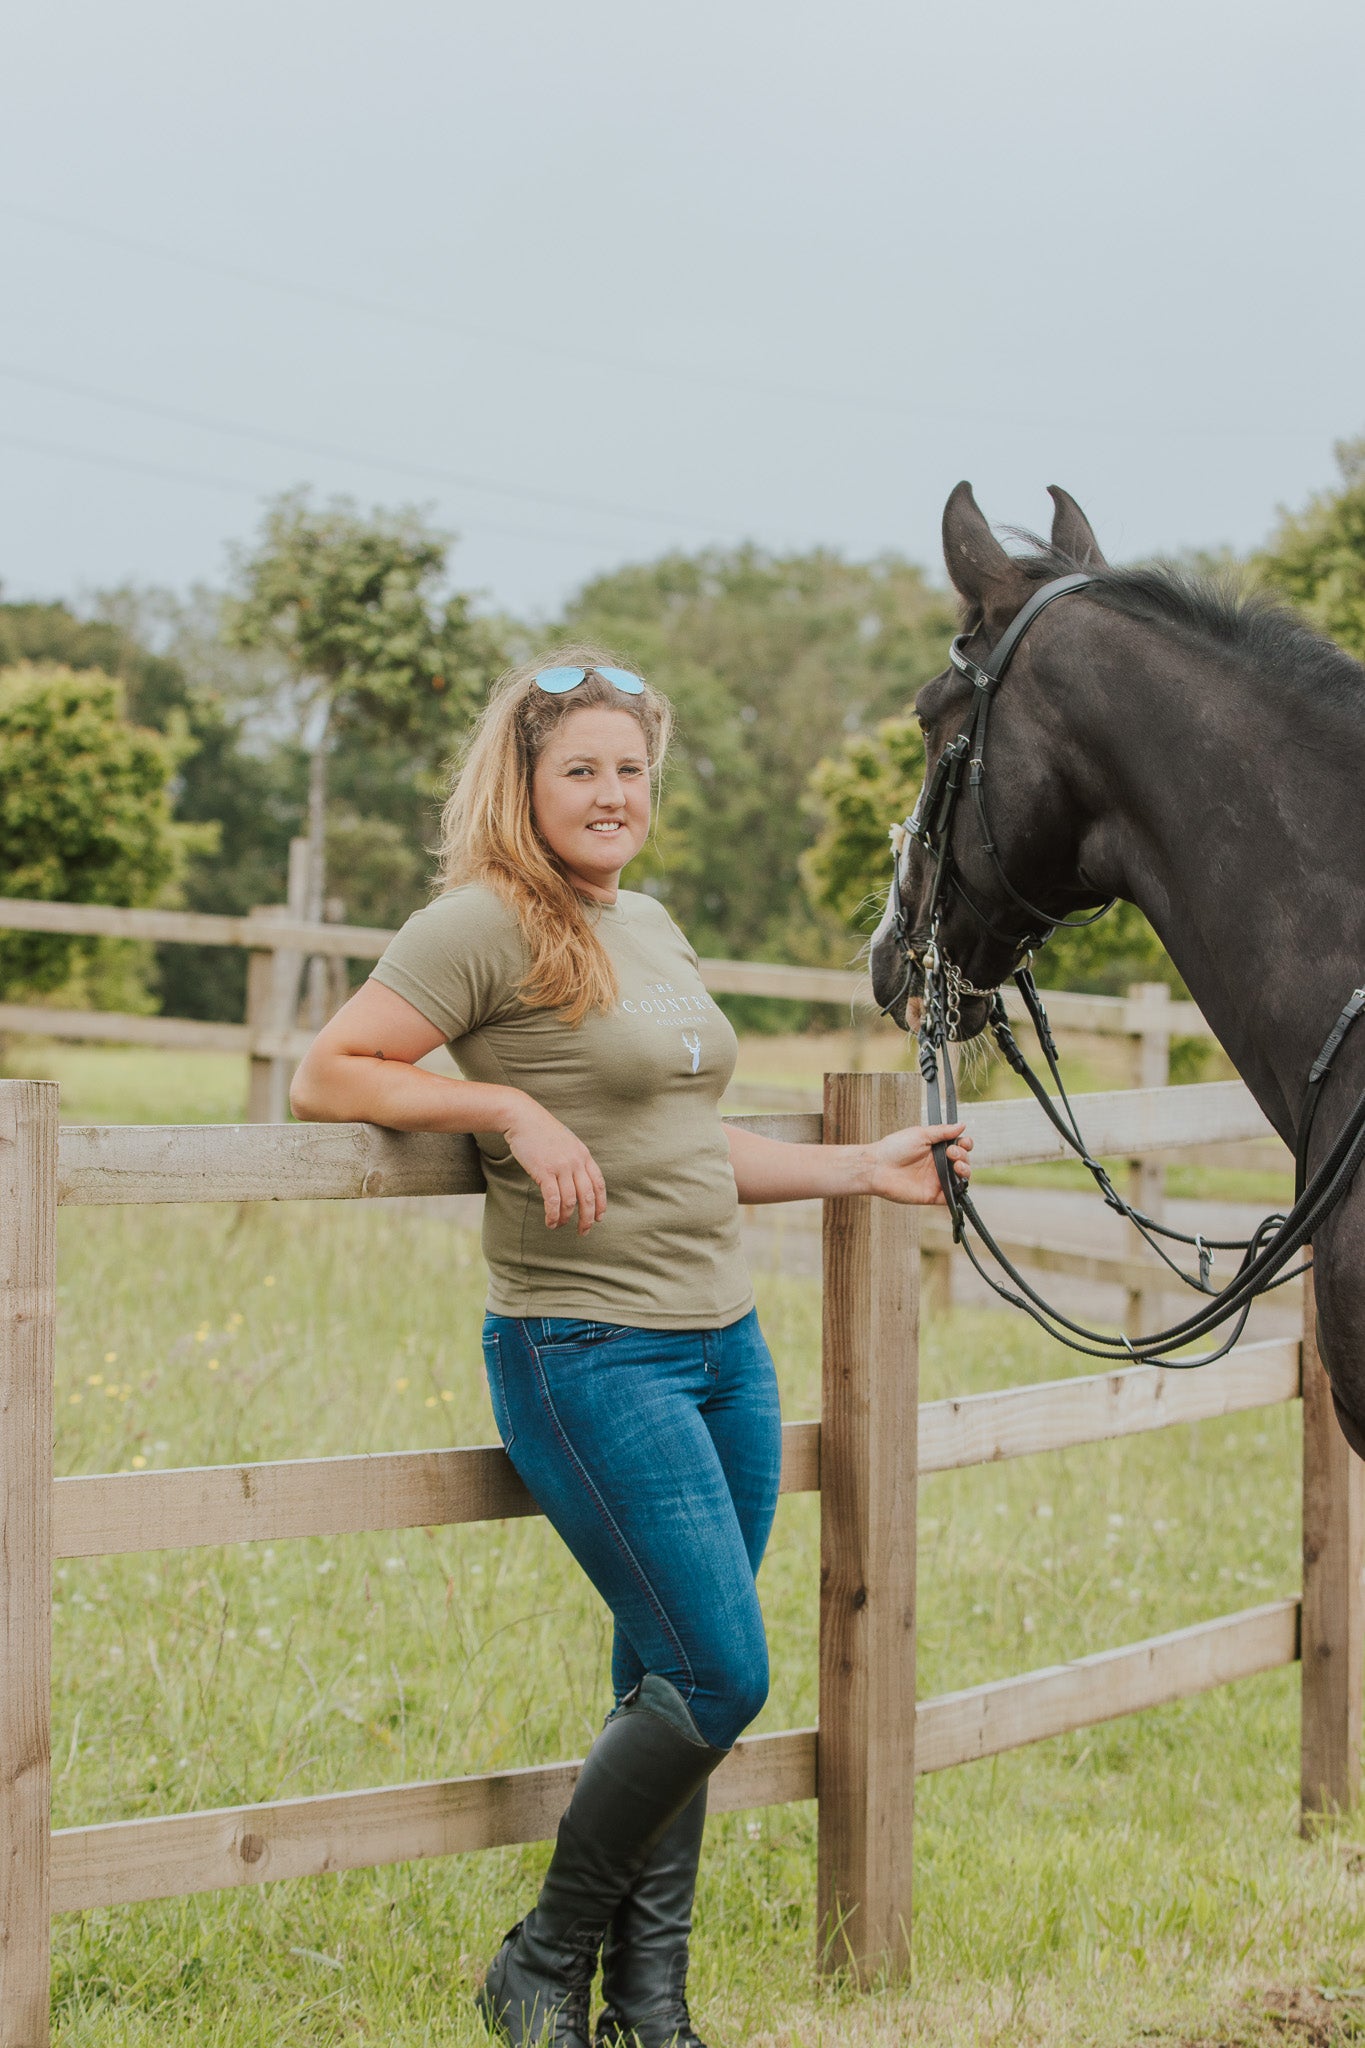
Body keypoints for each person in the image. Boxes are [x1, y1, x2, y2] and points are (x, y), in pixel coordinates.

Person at [289, 652, 972, 2048]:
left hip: (722, 1345)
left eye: (629, 771)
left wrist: (860, 1170)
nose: (612, 795)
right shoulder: (476, 924)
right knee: (720, 1673)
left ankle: (649, 2007)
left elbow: (679, 1148)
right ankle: (539, 1962)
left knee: (664, 1682)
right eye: (580, 770)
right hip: (587, 1348)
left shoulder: (648, 925)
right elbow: (331, 1070)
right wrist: (507, 1114)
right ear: (524, 785)